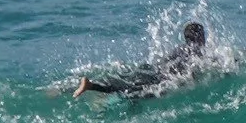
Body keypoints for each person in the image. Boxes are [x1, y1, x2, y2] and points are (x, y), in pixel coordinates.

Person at [73, 21, 209, 99]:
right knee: (132, 91)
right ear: (200, 37)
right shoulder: (196, 51)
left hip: (151, 70)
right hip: (159, 78)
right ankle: (91, 86)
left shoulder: (180, 48)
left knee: (128, 85)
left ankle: (88, 87)